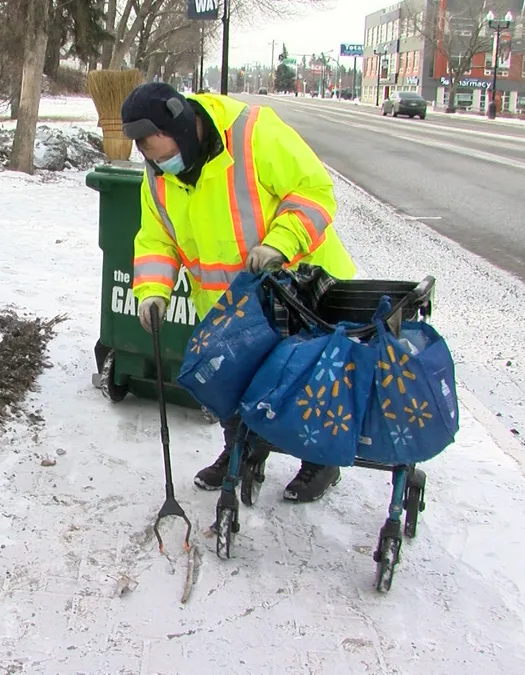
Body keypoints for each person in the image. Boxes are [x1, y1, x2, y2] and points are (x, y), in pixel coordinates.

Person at [121, 81, 357, 503]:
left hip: (299, 289)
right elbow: (156, 237)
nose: (156, 162)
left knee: (303, 384)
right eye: (147, 154)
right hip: (227, 307)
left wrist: (279, 243)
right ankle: (242, 450)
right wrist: (153, 291)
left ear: (183, 126)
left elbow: (314, 194)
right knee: (231, 385)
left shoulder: (254, 133)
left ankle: (319, 461)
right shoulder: (156, 175)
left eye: (159, 149)